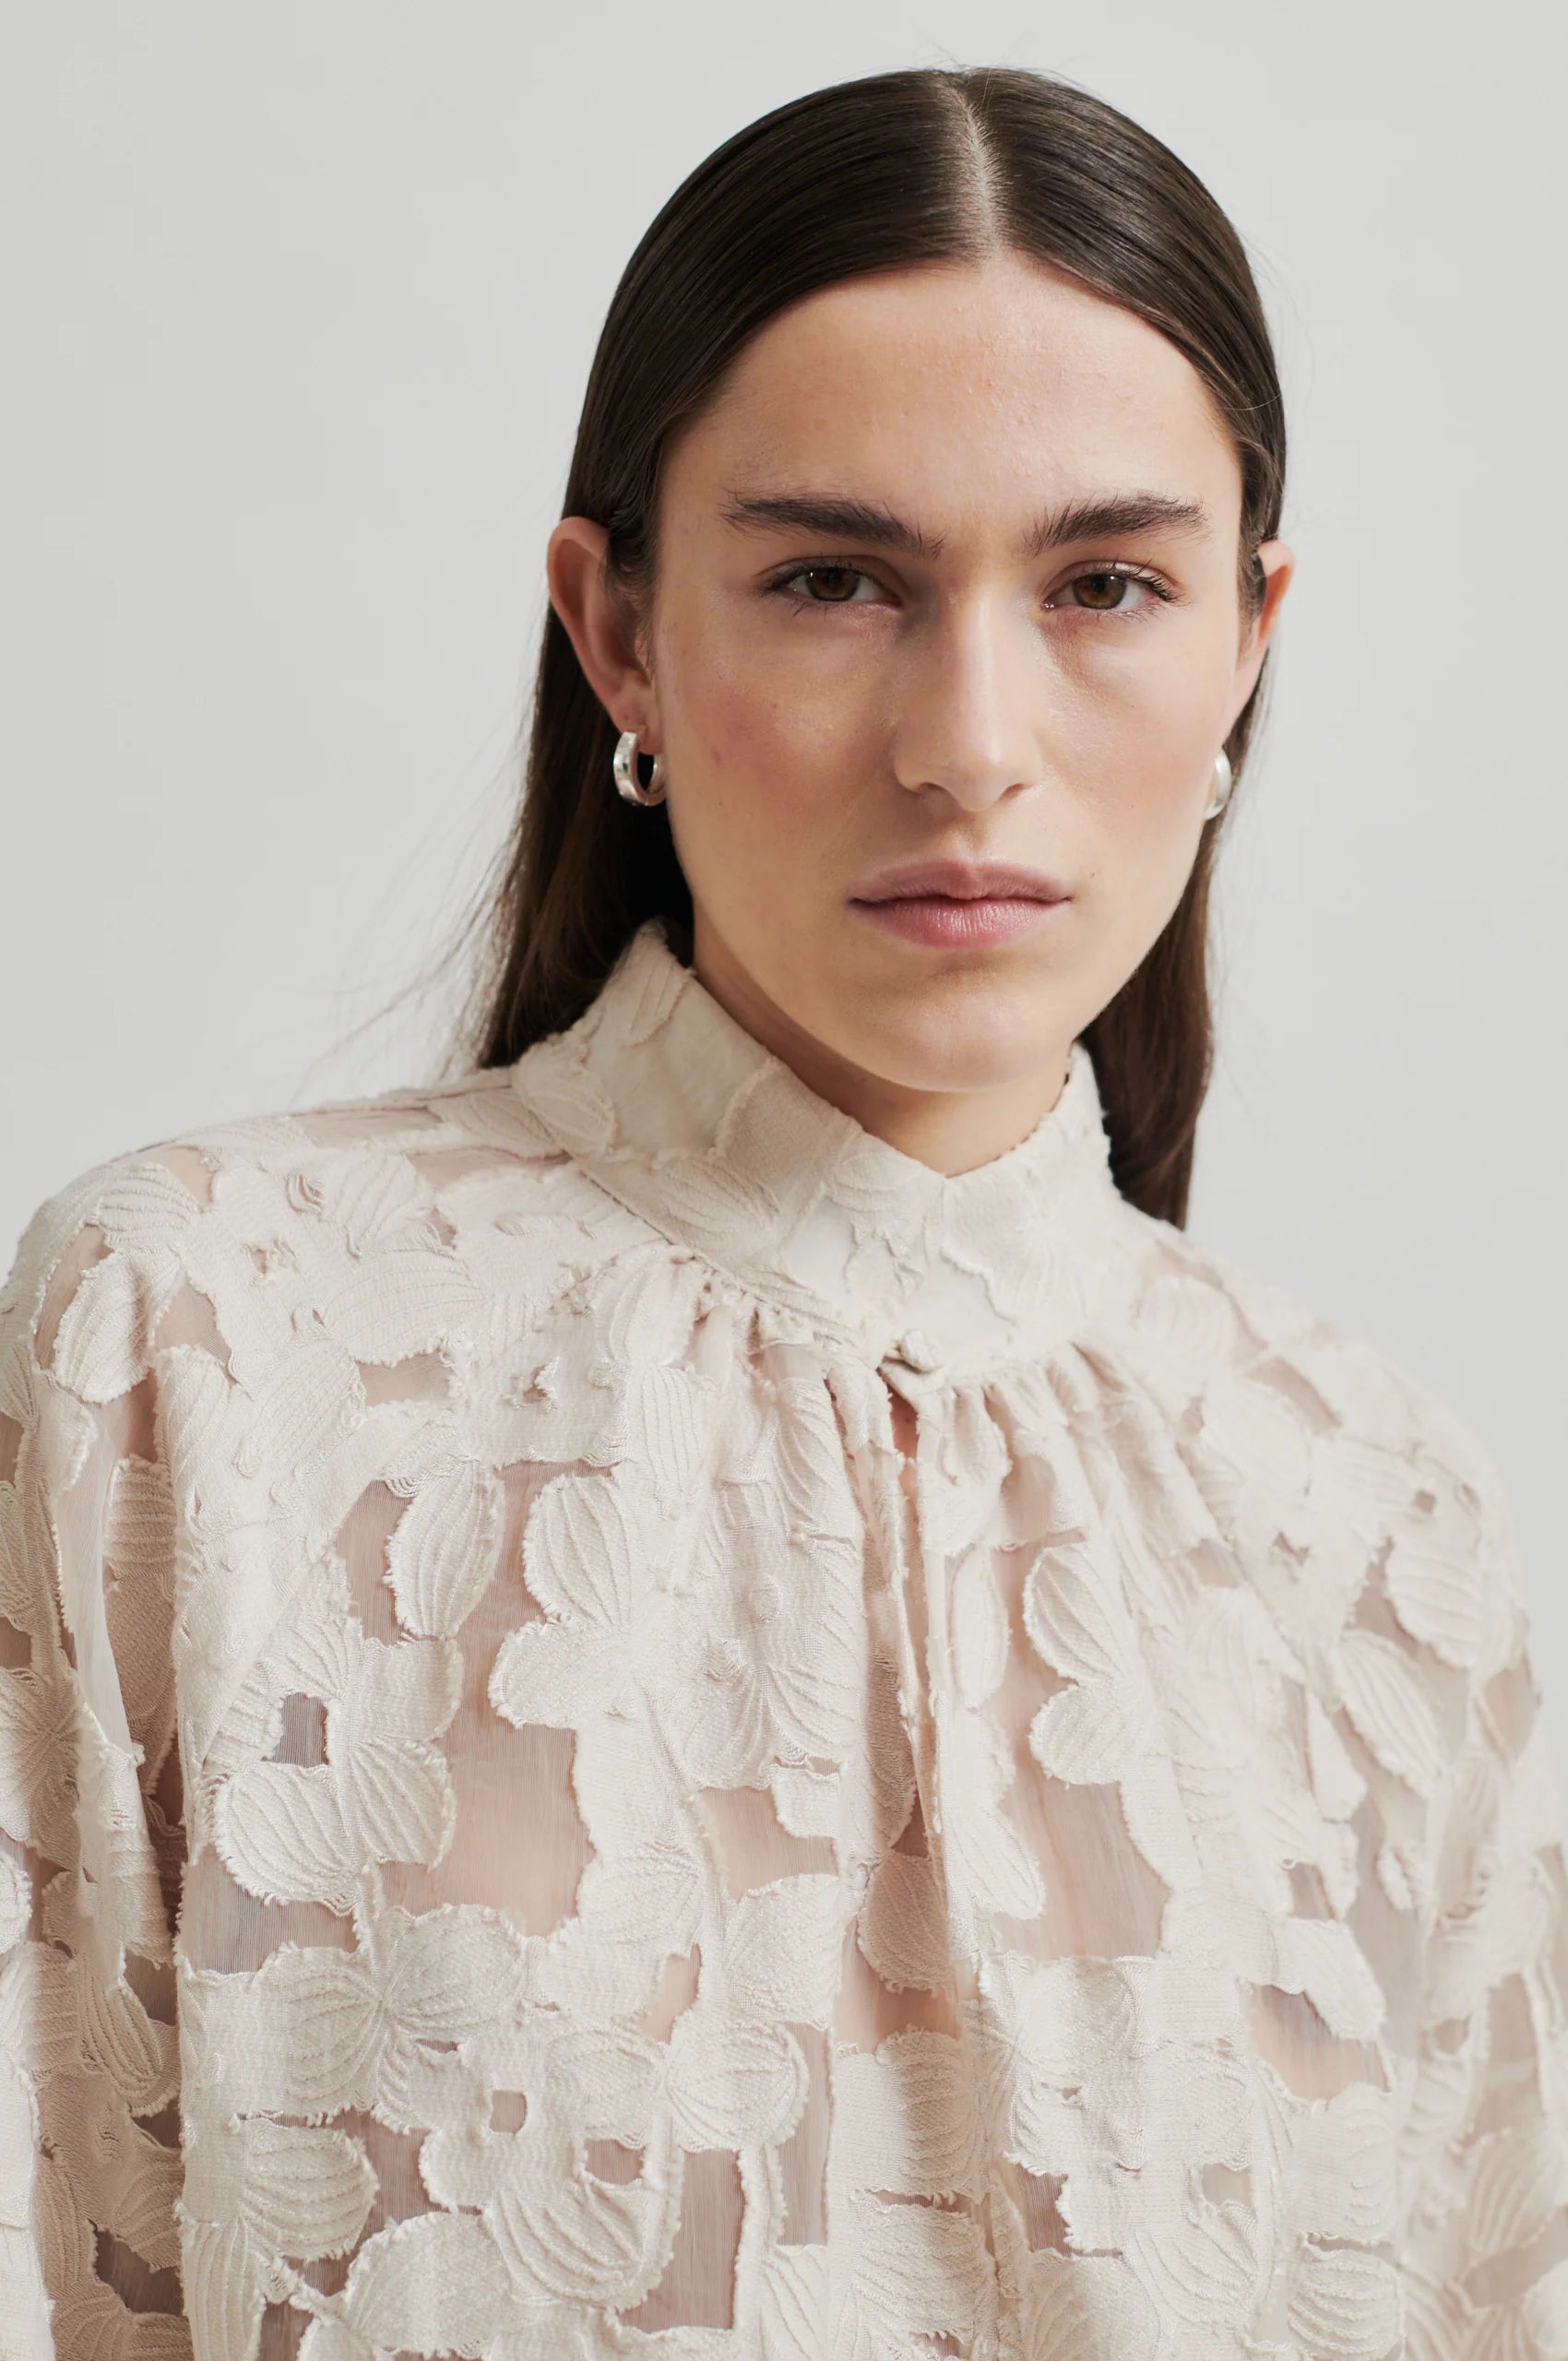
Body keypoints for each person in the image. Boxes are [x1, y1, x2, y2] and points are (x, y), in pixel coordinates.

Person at [2, 63, 1562, 2360]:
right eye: (833, 579)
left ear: (1247, 638)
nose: (967, 737)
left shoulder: (1371, 1525)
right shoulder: (192, 1350)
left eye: (1107, 582)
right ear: (618, 631)